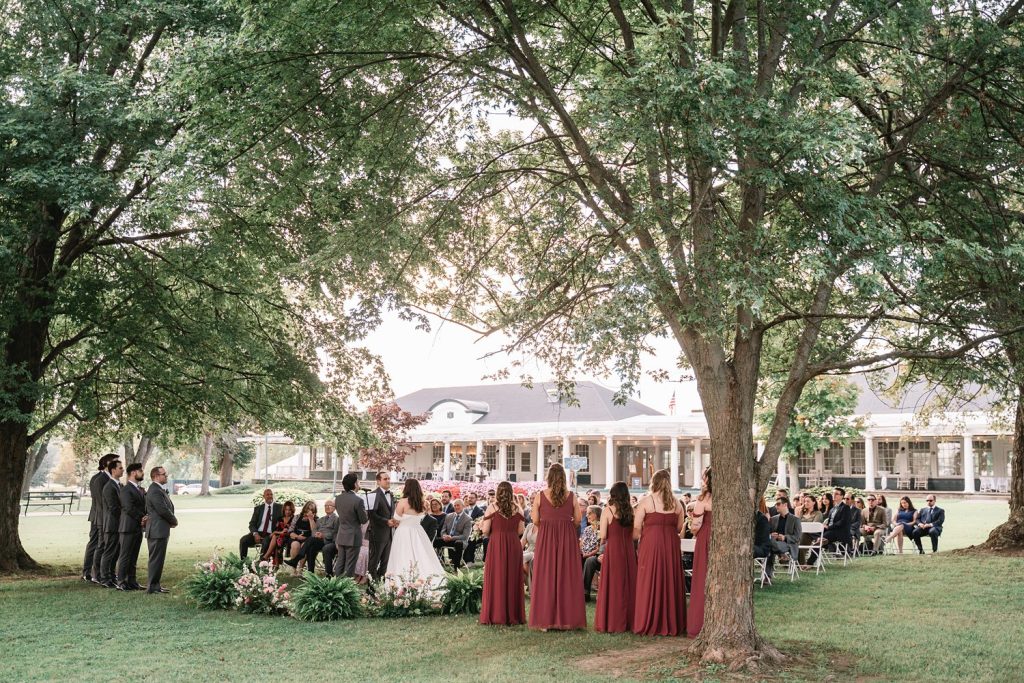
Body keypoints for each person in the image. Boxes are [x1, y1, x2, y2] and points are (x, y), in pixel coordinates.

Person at [529, 463, 586, 631]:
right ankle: (566, 620)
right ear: (563, 477)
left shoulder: (540, 496)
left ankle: (546, 621)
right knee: (566, 575)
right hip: (566, 537)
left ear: (549, 477)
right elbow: (577, 520)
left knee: (546, 574)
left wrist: (548, 525)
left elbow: (535, 520)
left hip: (546, 536)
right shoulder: (572, 496)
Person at [632, 469, 685, 636]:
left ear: (653, 482)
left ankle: (648, 619)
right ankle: (670, 621)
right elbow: (678, 527)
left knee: (649, 578)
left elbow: (636, 528)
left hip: (651, 545)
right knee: (669, 578)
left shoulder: (646, 501)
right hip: (670, 544)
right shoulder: (677, 503)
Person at [479, 481, 526, 625]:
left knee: (497, 576)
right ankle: (513, 615)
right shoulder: (519, 509)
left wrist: (480, 526)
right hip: (513, 543)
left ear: (498, 492)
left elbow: (486, 531)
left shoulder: (491, 508)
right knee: (512, 577)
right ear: (511, 492)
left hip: (497, 543)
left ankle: (497, 614)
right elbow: (520, 531)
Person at [595, 481, 636, 633]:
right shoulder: (631, 511)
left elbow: (604, 535)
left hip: (614, 550)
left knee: (613, 585)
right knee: (628, 584)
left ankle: (613, 620)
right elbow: (634, 534)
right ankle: (629, 620)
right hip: (628, 551)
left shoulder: (608, 511)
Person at [387, 478, 446, 580]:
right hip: (418, 531)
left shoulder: (403, 501)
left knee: (403, 554)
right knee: (420, 554)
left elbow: (396, 519)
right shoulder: (422, 502)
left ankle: (401, 578)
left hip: (404, 532)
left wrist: (393, 522)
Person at [83, 453, 116, 583]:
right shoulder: (99, 479)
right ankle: (90, 573)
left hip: (102, 516)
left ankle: (99, 572)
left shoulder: (106, 478)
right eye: (114, 462)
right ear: (106, 464)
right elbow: (100, 502)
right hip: (99, 516)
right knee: (96, 544)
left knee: (99, 544)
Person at [687, 467, 712, 638]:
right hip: (723, 536)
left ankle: (699, 622)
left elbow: (696, 525)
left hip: (705, 537)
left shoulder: (703, 499)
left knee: (702, 578)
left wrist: (695, 531)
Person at [144, 466, 177, 594]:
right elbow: (162, 509)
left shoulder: (158, 489)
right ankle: (152, 586)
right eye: (164, 474)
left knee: (159, 559)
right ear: (156, 476)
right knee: (155, 559)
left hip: (160, 529)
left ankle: (156, 585)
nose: (166, 476)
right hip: (157, 530)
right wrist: (174, 520)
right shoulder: (155, 490)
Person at [115, 463, 147, 591]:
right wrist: (142, 518)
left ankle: (132, 581)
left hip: (137, 528)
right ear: (133, 473)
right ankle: (121, 581)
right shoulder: (126, 489)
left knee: (134, 556)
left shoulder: (139, 489)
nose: (142, 473)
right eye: (140, 471)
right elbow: (128, 508)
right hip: (127, 527)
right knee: (125, 555)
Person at [334, 472, 369, 577]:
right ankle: (347, 588)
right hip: (353, 536)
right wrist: (366, 512)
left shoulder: (338, 498)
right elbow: (363, 520)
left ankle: (336, 585)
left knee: (340, 562)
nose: (358, 484)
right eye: (357, 482)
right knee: (350, 565)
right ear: (354, 484)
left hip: (342, 534)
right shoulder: (358, 500)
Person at [99, 458, 124, 587]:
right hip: (112, 524)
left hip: (118, 524)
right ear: (113, 470)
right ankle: (105, 579)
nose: (123, 469)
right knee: (109, 551)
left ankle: (112, 576)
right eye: (120, 468)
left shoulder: (119, 485)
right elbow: (113, 507)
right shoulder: (109, 486)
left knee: (116, 552)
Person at [367, 471, 397, 581]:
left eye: (389, 478)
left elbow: (391, 513)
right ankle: (371, 584)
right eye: (385, 479)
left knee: (386, 561)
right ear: (378, 481)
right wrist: (386, 521)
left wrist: (395, 520)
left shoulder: (391, 494)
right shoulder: (372, 494)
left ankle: (380, 582)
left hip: (389, 533)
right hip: (377, 533)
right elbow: (371, 514)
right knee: (374, 560)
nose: (388, 480)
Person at [240, 488, 282, 560]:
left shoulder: (280, 508)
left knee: (266, 542)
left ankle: (261, 564)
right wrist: (255, 534)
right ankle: (243, 563)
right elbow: (252, 523)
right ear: (264, 496)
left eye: (271, 494)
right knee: (243, 540)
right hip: (258, 532)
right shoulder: (258, 508)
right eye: (267, 494)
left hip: (271, 534)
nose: (270, 496)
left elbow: (284, 522)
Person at [300, 499, 337, 576]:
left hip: (328, 541)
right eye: (326, 506)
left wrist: (323, 535)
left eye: (330, 505)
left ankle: (299, 556)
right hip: (318, 541)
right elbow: (314, 531)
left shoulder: (336, 519)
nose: (327, 507)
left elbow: (335, 532)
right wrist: (316, 534)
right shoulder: (321, 519)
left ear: (334, 508)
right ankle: (311, 573)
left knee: (310, 541)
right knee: (311, 548)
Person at [434, 498, 473, 569]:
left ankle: (456, 568)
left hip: (458, 540)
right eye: (455, 505)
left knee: (458, 543)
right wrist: (444, 536)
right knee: (434, 541)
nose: (456, 507)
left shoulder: (468, 519)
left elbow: (465, 536)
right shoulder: (448, 516)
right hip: (447, 539)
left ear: (463, 506)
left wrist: (451, 538)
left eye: (458, 505)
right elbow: (443, 529)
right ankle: (434, 564)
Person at [768, 497, 801, 577]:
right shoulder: (773, 519)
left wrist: (785, 537)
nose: (776, 506)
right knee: (769, 548)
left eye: (778, 504)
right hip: (774, 543)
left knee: (769, 546)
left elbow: (797, 537)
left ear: (785, 505)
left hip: (787, 544)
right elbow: (768, 533)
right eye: (776, 504)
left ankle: (767, 576)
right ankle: (782, 555)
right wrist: (771, 535)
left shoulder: (795, 519)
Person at [285, 501, 317, 575]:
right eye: (308, 509)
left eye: (312, 510)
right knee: (295, 545)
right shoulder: (297, 517)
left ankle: (300, 569)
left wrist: (311, 519)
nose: (309, 511)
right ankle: (294, 569)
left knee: (304, 546)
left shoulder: (315, 519)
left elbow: (314, 533)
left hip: (307, 539)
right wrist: (297, 536)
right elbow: (290, 530)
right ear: (305, 509)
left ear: (314, 511)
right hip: (295, 537)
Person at [262, 501, 295, 565]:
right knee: (276, 538)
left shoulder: (294, 519)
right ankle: (274, 562)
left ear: (292, 510)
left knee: (276, 538)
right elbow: (275, 530)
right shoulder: (280, 518)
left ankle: (267, 557)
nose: (287, 512)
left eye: (289, 510)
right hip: (279, 536)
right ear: (284, 510)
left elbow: (291, 531)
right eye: (286, 510)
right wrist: (280, 532)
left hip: (289, 537)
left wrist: (278, 533)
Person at [580, 505, 601, 601]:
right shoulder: (587, 529)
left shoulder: (602, 528)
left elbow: (599, 547)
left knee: (590, 560)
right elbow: (583, 544)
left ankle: (585, 592)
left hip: (597, 555)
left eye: (589, 513)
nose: (587, 515)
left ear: (596, 515)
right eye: (587, 513)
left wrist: (588, 554)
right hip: (585, 553)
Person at [821, 487, 852, 553]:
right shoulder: (832, 509)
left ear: (842, 496)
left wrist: (829, 527)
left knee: (821, 539)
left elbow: (842, 522)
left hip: (839, 532)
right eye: (833, 493)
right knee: (814, 534)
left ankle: (811, 561)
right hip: (830, 531)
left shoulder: (845, 507)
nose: (834, 495)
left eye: (836, 494)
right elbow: (829, 521)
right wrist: (824, 526)